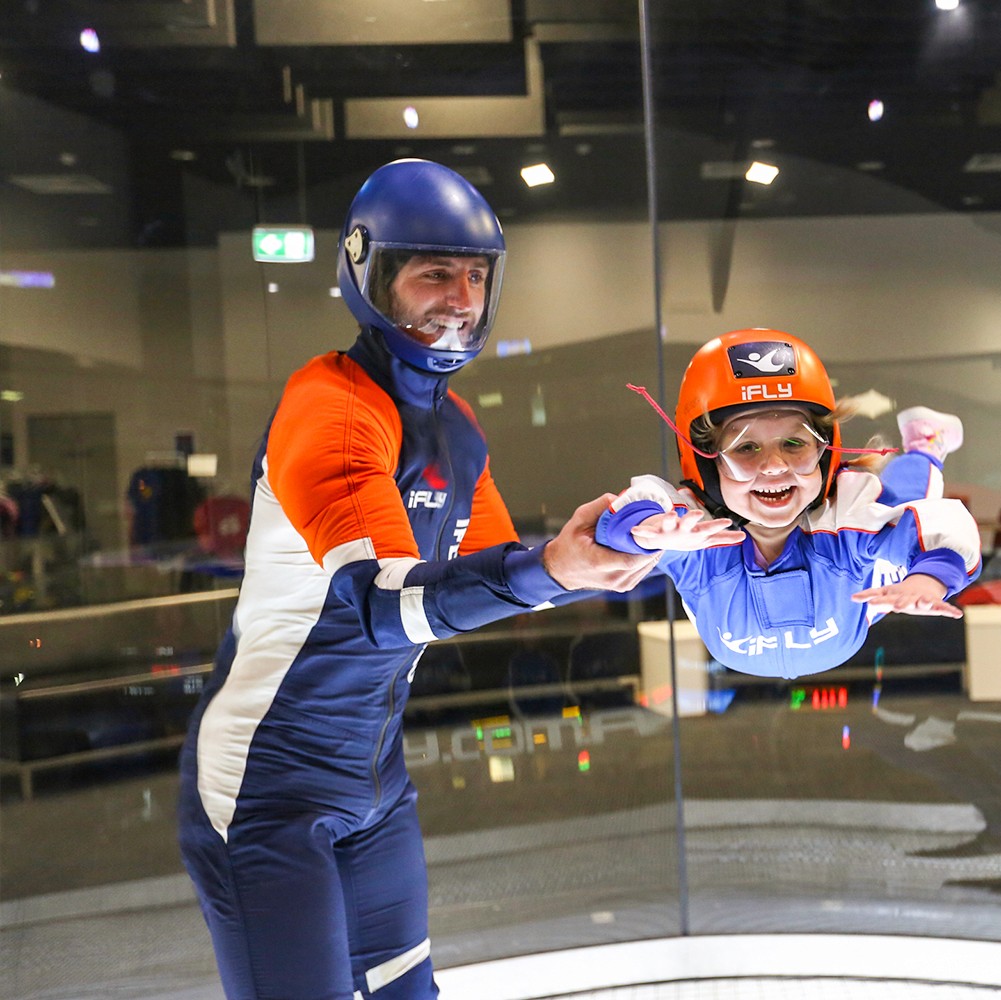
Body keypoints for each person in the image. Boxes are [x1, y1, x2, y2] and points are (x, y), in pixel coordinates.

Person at [176, 159, 656, 1000]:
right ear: (371, 273)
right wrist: (552, 568)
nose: (462, 298)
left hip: (376, 781)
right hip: (265, 789)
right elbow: (384, 608)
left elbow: (496, 578)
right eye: (435, 272)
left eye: (476, 275)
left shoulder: (456, 430)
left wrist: (642, 539)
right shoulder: (329, 404)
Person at [595, 328, 983, 679]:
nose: (775, 467)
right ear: (706, 463)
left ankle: (926, 446)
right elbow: (642, 505)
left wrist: (926, 579)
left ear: (824, 451)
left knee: (906, 501)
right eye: (746, 447)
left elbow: (943, 526)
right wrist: (642, 528)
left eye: (794, 443)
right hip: (827, 623)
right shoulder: (695, 538)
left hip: (863, 596)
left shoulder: (847, 522)